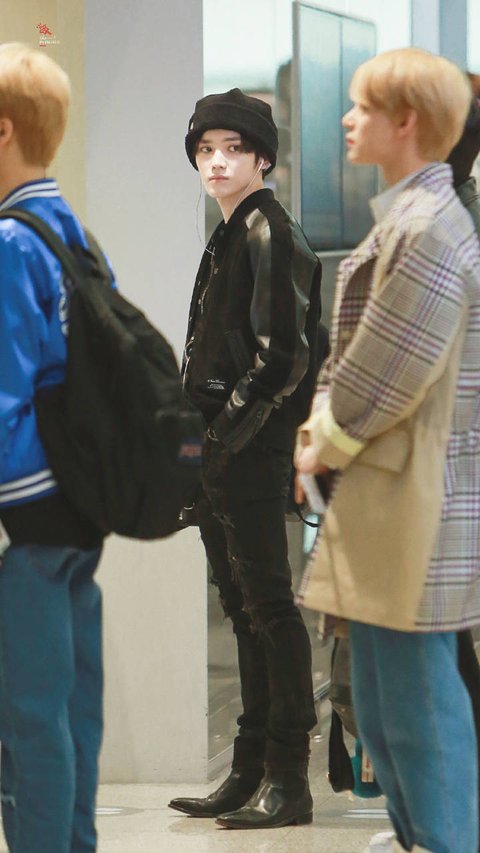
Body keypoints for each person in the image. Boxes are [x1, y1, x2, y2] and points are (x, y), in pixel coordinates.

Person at [295, 48, 479, 853]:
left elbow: (391, 362)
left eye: (363, 107)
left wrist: (322, 440)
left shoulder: (428, 226)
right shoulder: (412, 216)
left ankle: (444, 839)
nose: (348, 119)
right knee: (381, 695)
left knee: (415, 700)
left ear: (407, 122)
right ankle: (420, 835)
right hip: (388, 485)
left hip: (412, 490)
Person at [169, 88, 321, 830]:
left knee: (269, 609)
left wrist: (223, 438)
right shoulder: (231, 232)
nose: (217, 162)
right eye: (205, 150)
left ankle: (287, 778)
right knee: (243, 609)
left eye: (233, 148)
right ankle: (250, 766)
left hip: (250, 453)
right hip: (223, 454)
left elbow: (282, 358)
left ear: (263, 158)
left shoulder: (269, 231)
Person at [0, 43, 109, 852]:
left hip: (29, 505)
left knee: (28, 716)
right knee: (73, 703)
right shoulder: (72, 229)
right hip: (82, 497)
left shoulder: (10, 241)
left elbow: (5, 389)